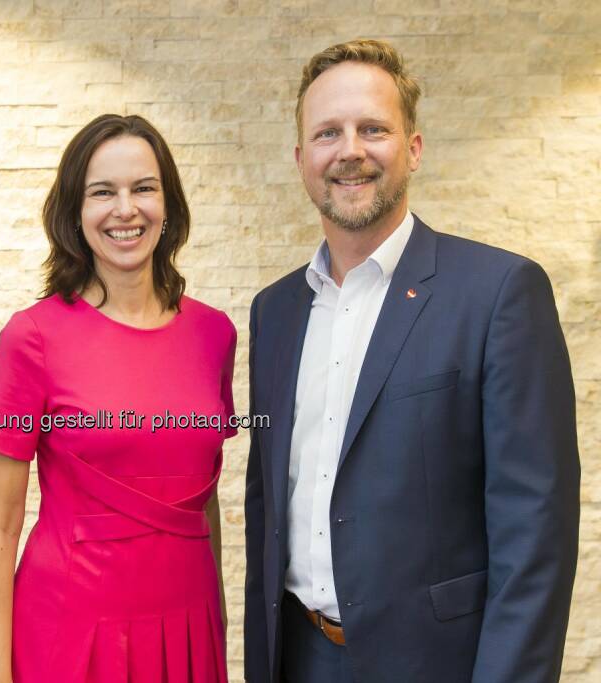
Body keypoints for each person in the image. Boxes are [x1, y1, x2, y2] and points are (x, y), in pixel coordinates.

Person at [243, 38, 579, 683]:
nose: (350, 150)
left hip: (435, 663)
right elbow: (268, 507)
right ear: (301, 159)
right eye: (327, 133)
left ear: (414, 148)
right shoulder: (275, 312)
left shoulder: (498, 294)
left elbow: (535, 533)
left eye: (373, 128)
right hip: (300, 655)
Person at [0, 114, 237, 683]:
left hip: (189, 626)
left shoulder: (214, 333)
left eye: (143, 188)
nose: (125, 209)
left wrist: (216, 626)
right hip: (71, 630)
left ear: (168, 205)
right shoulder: (32, 336)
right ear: (74, 212)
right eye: (102, 192)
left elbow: (203, 499)